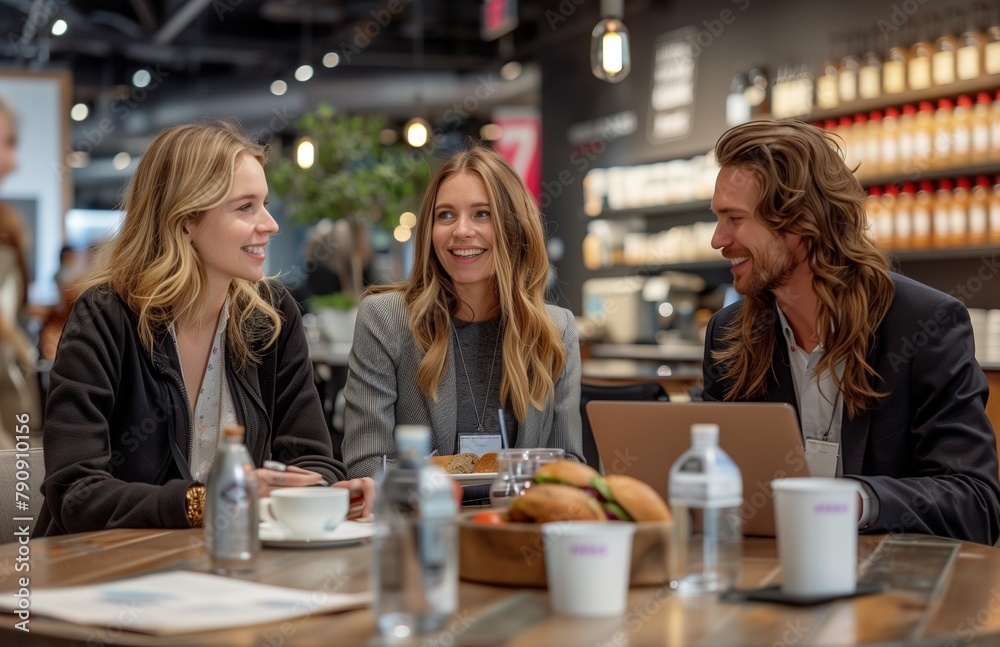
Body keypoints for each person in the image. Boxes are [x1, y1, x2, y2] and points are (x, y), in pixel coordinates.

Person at [37, 121, 375, 536]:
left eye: (265, 203)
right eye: (245, 207)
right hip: (105, 573)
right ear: (185, 221)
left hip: (223, 566)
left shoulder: (270, 316)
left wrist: (328, 493)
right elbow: (76, 493)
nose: (270, 224)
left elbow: (312, 460)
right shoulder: (106, 317)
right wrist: (203, 501)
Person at [702, 119, 1000, 545]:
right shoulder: (728, 334)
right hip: (765, 582)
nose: (718, 240)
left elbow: (976, 505)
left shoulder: (924, 323)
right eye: (718, 219)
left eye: (734, 219)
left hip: (893, 594)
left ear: (801, 223)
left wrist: (856, 499)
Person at [342, 146, 583, 478]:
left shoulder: (556, 329)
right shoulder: (385, 319)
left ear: (514, 226)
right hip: (421, 522)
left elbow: (567, 465)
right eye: (446, 215)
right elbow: (366, 464)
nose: (461, 231)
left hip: (516, 523)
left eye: (482, 213)